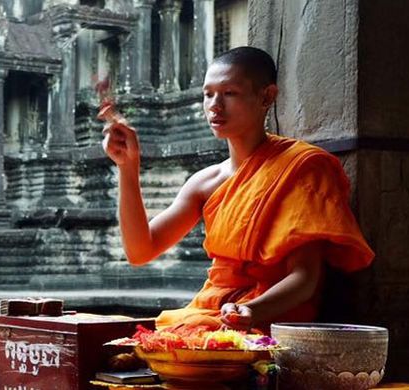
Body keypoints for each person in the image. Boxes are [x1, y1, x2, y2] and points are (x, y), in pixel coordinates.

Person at [102, 46, 375, 333]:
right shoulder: (205, 182)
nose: (214, 106)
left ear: (266, 97)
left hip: (270, 320)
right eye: (208, 94)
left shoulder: (302, 167)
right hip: (211, 312)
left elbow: (304, 279)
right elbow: (140, 250)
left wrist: (250, 312)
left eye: (229, 93)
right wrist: (127, 168)